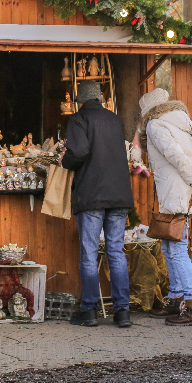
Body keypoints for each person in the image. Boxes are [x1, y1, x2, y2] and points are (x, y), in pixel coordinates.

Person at [60, 80, 135, 328]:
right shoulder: (114, 119)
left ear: (79, 101)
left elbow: (79, 152)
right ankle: (122, 312)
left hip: (91, 194)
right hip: (119, 194)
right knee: (116, 252)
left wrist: (65, 161)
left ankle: (89, 310)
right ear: (100, 99)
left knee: (89, 254)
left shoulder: (79, 120)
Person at [139, 88, 192, 326]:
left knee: (177, 250)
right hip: (180, 189)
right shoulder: (180, 123)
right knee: (170, 247)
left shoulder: (155, 125)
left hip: (176, 191)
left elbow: (174, 155)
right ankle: (175, 297)